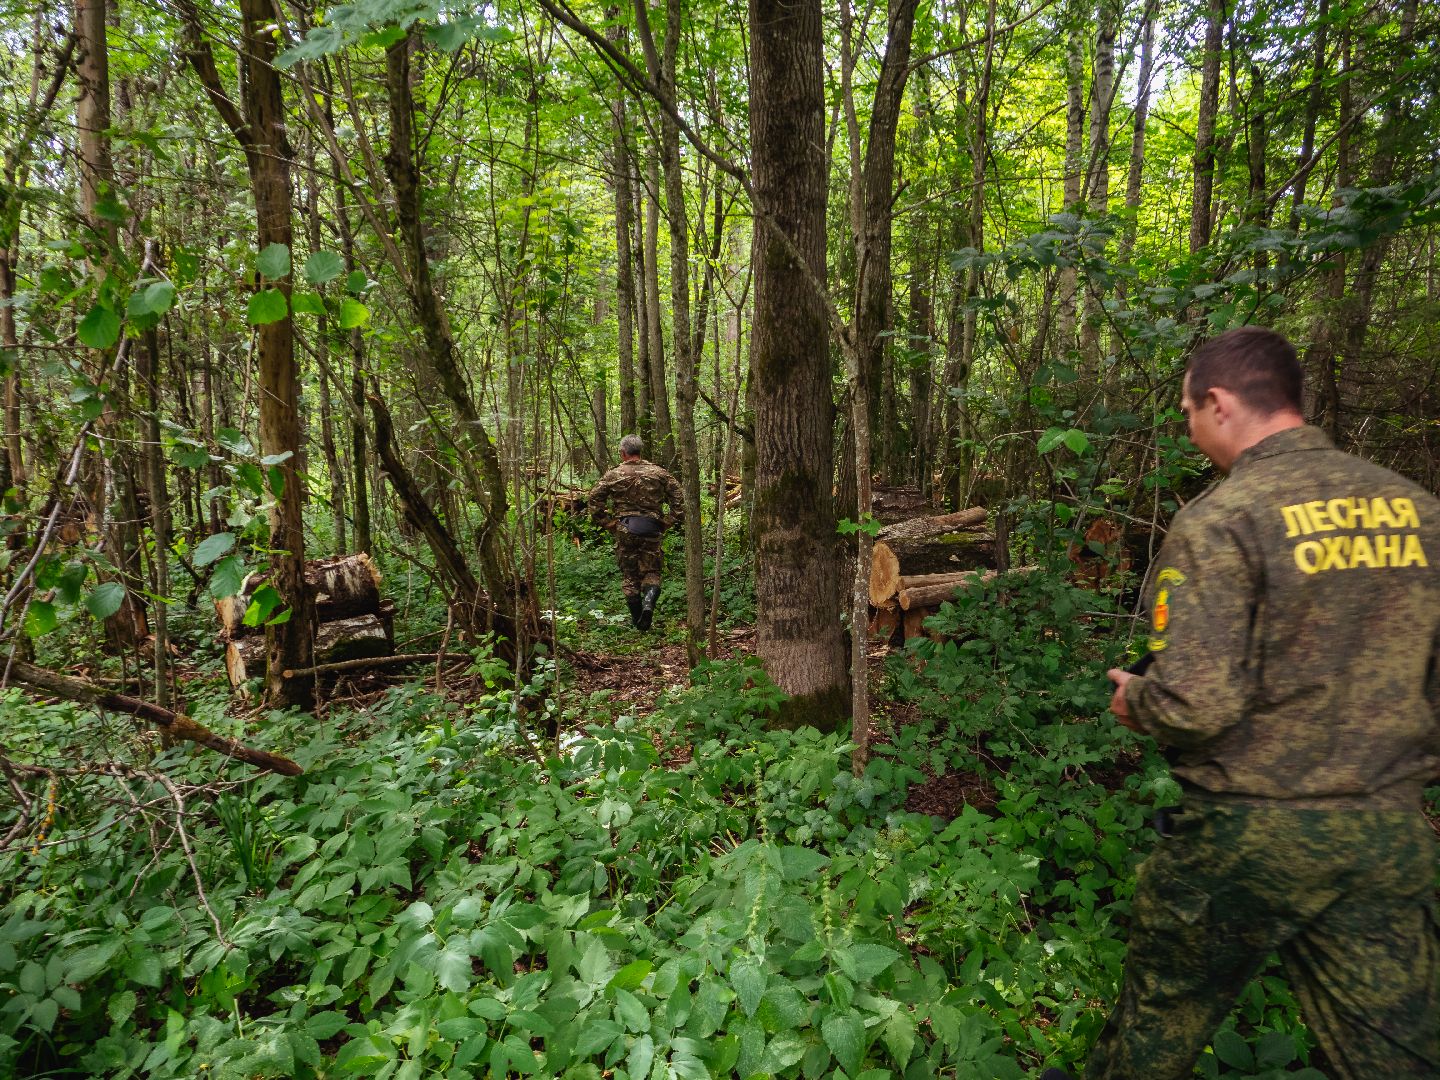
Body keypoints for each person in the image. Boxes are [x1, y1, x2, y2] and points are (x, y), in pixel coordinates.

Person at [1058, 327, 1440, 1080]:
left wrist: (1139, 697)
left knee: (1156, 1024)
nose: (1189, 429)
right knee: (1400, 1055)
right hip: (1385, 834)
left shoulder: (1224, 520)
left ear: (1220, 403)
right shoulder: (1419, 512)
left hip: (1244, 838)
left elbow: (1198, 704)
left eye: (1188, 412)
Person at [586, 435, 683, 631]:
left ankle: (638, 621)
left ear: (623, 453)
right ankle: (648, 606)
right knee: (652, 572)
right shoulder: (659, 473)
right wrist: (667, 522)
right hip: (652, 527)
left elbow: (594, 499)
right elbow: (679, 499)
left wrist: (608, 523)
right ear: (640, 451)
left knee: (630, 576)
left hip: (625, 527)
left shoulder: (613, 474)